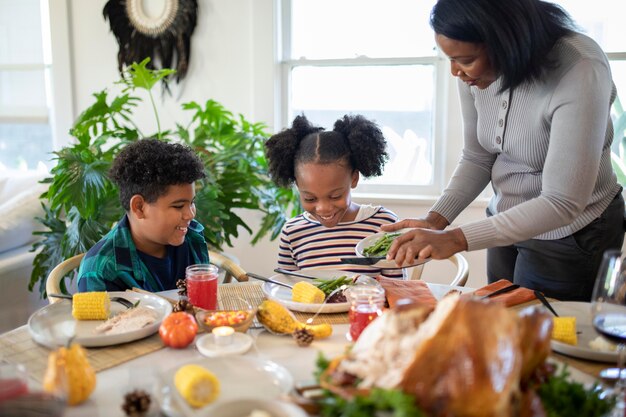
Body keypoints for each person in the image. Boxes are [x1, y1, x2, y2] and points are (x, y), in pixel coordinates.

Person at [383, 0, 625, 301]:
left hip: (571, 232)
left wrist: (457, 239)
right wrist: (435, 221)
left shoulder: (580, 67)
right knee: (499, 325)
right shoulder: (473, 72)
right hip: (504, 220)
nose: (455, 71)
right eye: (450, 58)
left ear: (507, 41)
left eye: (466, 59)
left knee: (541, 338)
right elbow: (478, 156)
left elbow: (563, 202)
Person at [265, 114, 403, 278]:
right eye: (310, 198)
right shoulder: (293, 233)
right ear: (297, 185)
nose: (323, 208)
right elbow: (286, 290)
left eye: (335, 196)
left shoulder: (384, 225)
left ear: (354, 178)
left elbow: (398, 292)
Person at [77, 139, 210, 292]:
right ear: (139, 207)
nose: (190, 215)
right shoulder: (100, 271)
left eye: (192, 202)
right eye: (178, 206)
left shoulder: (193, 237)